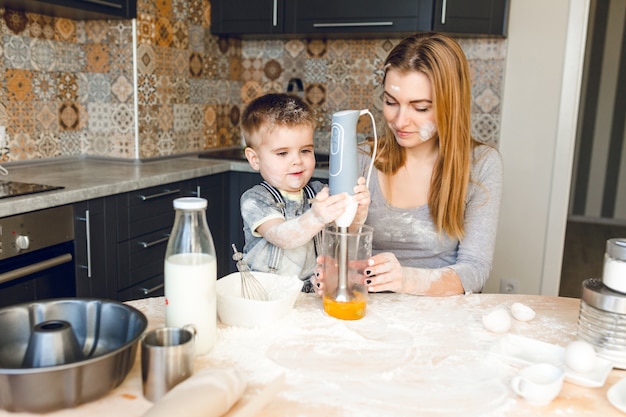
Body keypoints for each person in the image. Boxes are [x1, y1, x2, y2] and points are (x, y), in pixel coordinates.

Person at [312, 32, 503, 296]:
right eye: (391, 102)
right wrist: (330, 271)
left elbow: (475, 269)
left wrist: (406, 279)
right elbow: (337, 253)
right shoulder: (361, 159)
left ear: (451, 105)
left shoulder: (481, 165)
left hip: (439, 318)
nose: (400, 121)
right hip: (368, 312)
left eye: (421, 108)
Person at [240, 93, 370, 292]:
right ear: (254, 159)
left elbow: (345, 232)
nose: (297, 161)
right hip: (266, 296)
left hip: (310, 294)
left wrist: (357, 210)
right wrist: (316, 216)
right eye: (283, 153)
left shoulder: (319, 192)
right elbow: (281, 236)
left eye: (305, 151)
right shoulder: (255, 200)